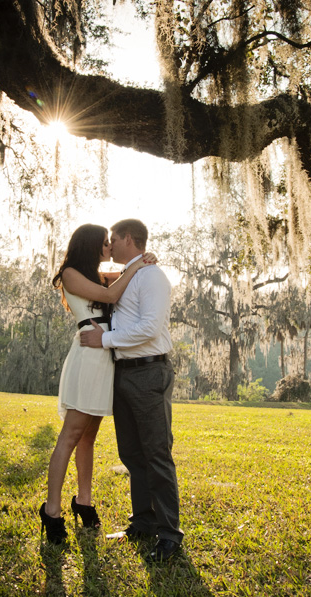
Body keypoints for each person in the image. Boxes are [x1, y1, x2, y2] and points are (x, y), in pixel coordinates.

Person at [39, 223, 156, 545]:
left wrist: (142, 263)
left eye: (111, 242)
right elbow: (110, 296)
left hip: (106, 355)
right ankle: (51, 510)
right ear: (91, 244)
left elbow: (121, 287)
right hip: (88, 356)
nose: (109, 247)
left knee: (89, 436)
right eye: (105, 242)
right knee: (71, 435)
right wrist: (138, 265)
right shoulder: (71, 274)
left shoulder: (97, 274)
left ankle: (84, 501)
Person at [80, 218, 183, 562]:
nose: (109, 244)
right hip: (122, 373)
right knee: (132, 454)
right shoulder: (127, 275)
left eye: (113, 238)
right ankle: (143, 522)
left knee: (156, 454)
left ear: (127, 238)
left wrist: (104, 339)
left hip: (149, 372)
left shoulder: (152, 276)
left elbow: (151, 328)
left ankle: (169, 535)